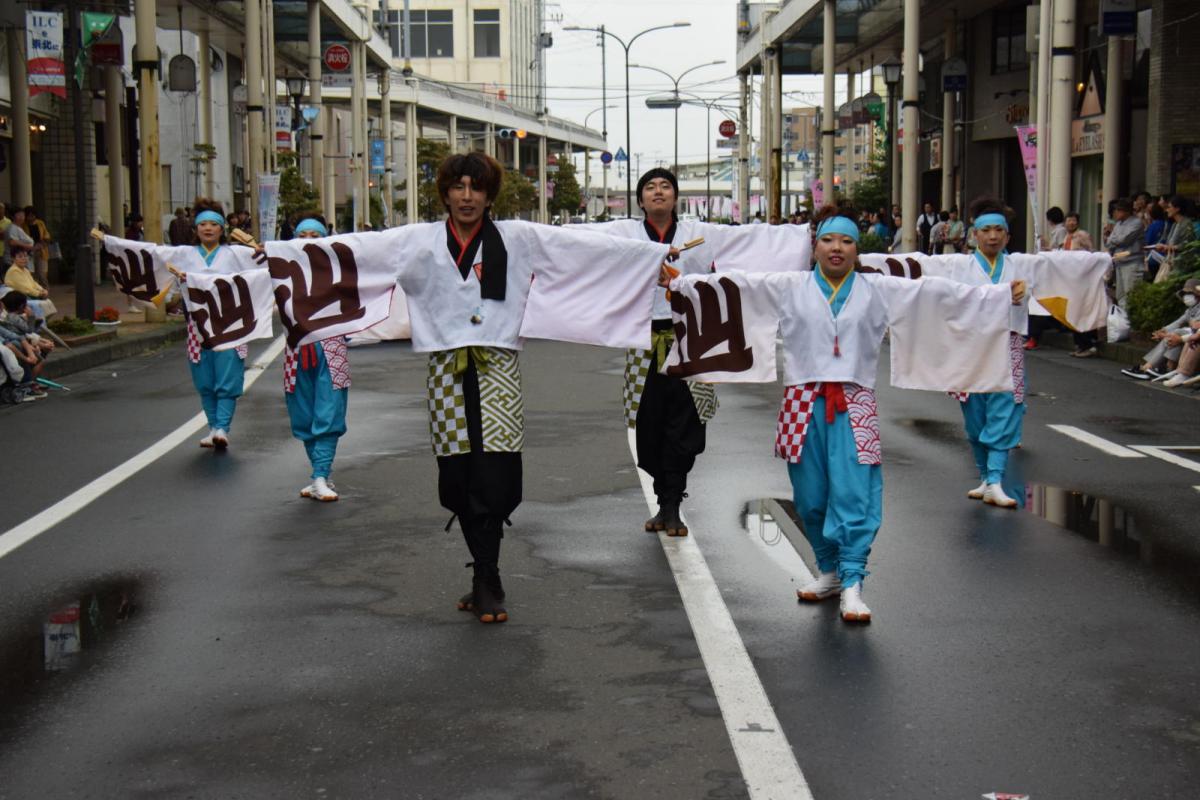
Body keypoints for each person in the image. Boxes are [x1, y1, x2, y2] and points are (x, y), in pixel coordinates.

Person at [256, 152, 671, 625]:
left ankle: (487, 575)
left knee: (496, 474)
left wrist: (650, 260)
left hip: (498, 369)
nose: (467, 196)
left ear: (489, 194)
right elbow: (355, 254)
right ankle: (483, 573)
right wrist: (280, 257)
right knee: (458, 474)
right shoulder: (418, 241)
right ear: (446, 193)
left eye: (476, 188)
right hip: (446, 373)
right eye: (459, 187)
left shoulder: (519, 238)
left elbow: (583, 251)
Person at [665, 204, 1022, 623]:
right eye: (829, 240)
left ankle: (853, 582)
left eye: (847, 241)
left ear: (858, 250)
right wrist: (682, 283)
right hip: (801, 402)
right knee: (811, 499)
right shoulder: (789, 285)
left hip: (856, 403)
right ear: (815, 247)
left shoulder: (880, 289)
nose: (837, 248)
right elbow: (735, 286)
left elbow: (940, 295)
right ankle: (828, 570)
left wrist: (998, 295)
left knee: (854, 495)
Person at [575, 167, 812, 537]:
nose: (658, 192)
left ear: (675, 197)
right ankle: (662, 497)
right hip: (643, 339)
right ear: (640, 200)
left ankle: (672, 504)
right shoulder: (625, 233)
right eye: (650, 187)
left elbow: (751, 241)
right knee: (649, 424)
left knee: (686, 424)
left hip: (692, 337)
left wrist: (803, 237)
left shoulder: (700, 235)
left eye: (665, 186)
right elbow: (580, 243)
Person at [869, 196, 1109, 507]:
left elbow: (1064, 265)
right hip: (968, 347)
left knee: (1004, 411)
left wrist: (1103, 260)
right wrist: (862, 264)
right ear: (975, 235)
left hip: (1007, 344)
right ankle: (984, 476)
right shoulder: (957, 265)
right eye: (986, 230)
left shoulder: (1022, 264)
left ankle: (995, 478)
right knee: (974, 417)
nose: (993, 236)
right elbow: (913, 266)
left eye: (999, 230)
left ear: (1008, 235)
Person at [104, 199, 257, 448]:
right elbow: (149, 253)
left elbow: (269, 263)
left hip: (229, 325)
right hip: (197, 326)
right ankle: (212, 426)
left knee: (227, 379)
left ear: (222, 229)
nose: (208, 228)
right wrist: (113, 243)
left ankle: (222, 427)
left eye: (214, 224)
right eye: (203, 224)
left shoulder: (237, 253)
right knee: (205, 380)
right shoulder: (183, 254)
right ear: (195, 228)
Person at [281, 214, 349, 502]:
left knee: (329, 412)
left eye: (315, 234)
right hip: (296, 350)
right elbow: (246, 284)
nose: (308, 239)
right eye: (302, 234)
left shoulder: (341, 268)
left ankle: (320, 475)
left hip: (331, 349)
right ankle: (320, 473)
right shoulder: (281, 269)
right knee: (303, 415)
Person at [1120, 278, 1200, 380]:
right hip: (1189, 335)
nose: (1186, 297)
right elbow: (1178, 322)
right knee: (1173, 335)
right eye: (1184, 294)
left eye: (1189, 293)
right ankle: (1149, 368)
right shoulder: (1190, 310)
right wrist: (1163, 331)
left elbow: (1195, 327)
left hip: (1193, 336)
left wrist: (1168, 334)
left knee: (1175, 335)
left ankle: (1163, 368)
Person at [1105, 198, 1145, 307]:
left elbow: (1124, 240)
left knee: (1131, 296)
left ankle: (1132, 322)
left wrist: (1113, 240)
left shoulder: (1137, 222)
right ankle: (1123, 322)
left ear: (1125, 211)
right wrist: (1113, 240)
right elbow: (1109, 241)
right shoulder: (1118, 224)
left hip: (1132, 263)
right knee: (1120, 296)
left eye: (1117, 210)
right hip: (1119, 263)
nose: (1115, 213)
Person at [22, 207, 52, 287]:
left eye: (32, 215)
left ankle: (45, 291)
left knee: (42, 274)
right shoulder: (23, 225)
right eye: (29, 216)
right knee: (31, 273)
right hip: (29, 251)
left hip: (41, 250)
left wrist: (43, 243)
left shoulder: (40, 223)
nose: (31, 218)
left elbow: (46, 234)